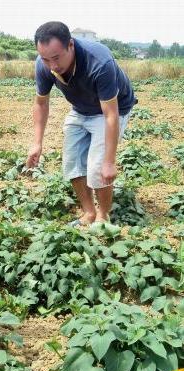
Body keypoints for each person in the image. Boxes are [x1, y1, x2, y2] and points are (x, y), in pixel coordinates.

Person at [26, 21, 136, 225]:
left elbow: (111, 114)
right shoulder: (44, 64)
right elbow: (41, 103)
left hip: (112, 109)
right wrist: (37, 143)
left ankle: (103, 217)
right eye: (46, 59)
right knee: (72, 162)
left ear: (71, 45)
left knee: (98, 166)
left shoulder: (99, 62)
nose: (53, 66)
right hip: (81, 109)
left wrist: (109, 162)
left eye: (56, 58)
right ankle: (89, 213)